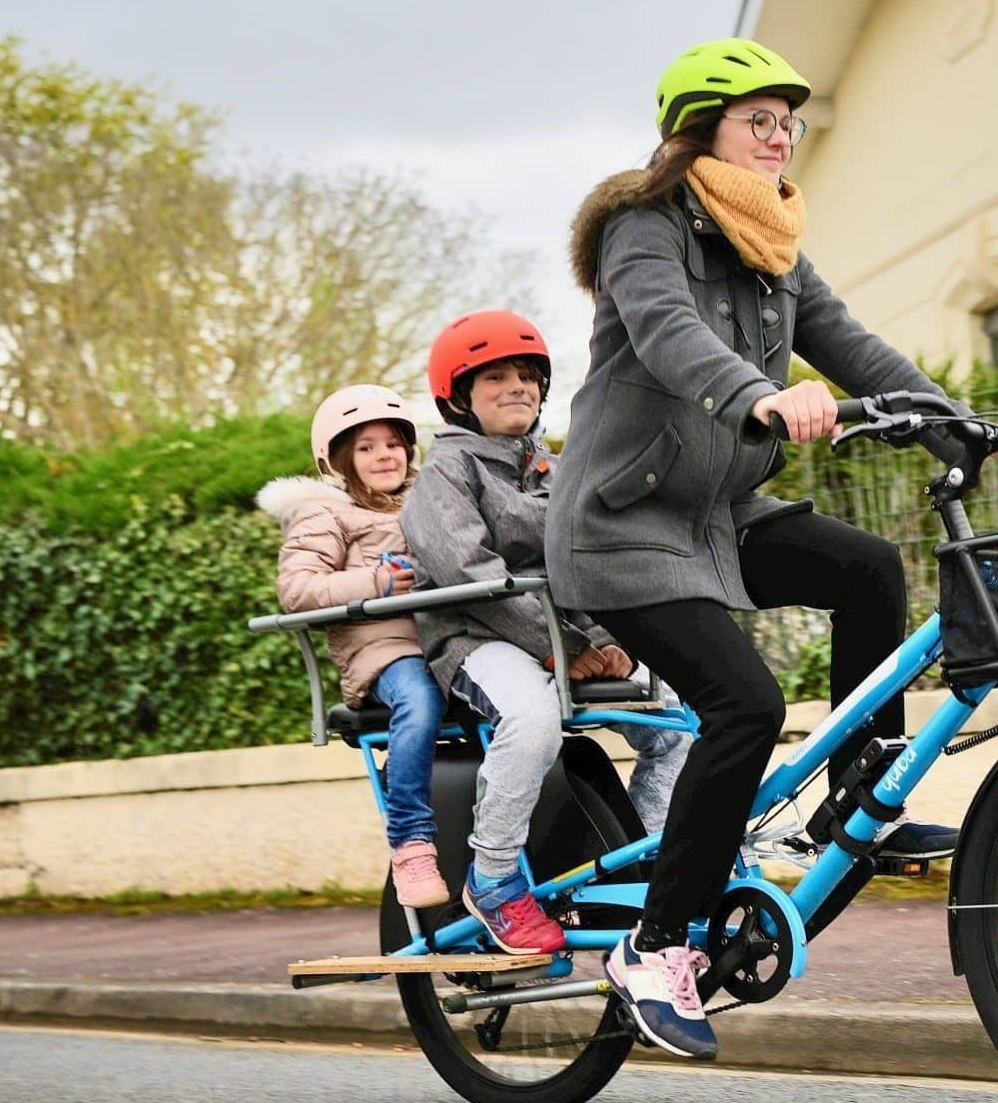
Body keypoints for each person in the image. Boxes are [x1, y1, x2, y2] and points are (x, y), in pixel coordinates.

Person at [547, 37, 998, 1059]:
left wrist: (970, 427)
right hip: (622, 524)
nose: (777, 137)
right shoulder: (646, 226)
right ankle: (655, 944)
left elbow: (854, 345)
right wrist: (758, 393)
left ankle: (858, 796)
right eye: (756, 120)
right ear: (699, 132)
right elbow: (669, 331)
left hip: (717, 512)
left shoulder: (772, 248)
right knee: (745, 704)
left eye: (786, 122)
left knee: (868, 568)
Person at [401, 309, 693, 955]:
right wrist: (564, 649)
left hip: (564, 640)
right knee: (531, 719)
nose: (519, 388)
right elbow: (467, 572)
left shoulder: (552, 469)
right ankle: (496, 879)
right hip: (478, 639)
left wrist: (603, 639)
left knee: (679, 720)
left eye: (529, 376)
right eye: (497, 377)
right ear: (459, 397)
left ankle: (641, 867)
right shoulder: (445, 474)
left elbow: (587, 565)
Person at [258, 385, 449, 909]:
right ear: (340, 460)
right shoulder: (327, 514)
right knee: (419, 701)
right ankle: (411, 842)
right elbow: (297, 591)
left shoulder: (435, 497)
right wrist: (376, 582)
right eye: (366, 447)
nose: (384, 455)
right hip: (386, 652)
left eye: (392, 443)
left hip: (452, 642)